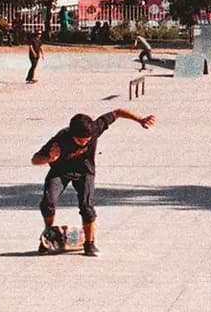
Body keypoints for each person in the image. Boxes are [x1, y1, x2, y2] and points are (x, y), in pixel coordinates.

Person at [31, 106, 156, 256]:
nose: (84, 143)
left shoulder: (95, 128)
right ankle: (49, 236)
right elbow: (35, 159)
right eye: (79, 140)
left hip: (85, 172)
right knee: (48, 202)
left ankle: (89, 244)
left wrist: (140, 119)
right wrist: (49, 158)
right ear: (72, 135)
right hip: (60, 171)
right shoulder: (60, 140)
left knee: (86, 206)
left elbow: (118, 112)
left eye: (87, 140)